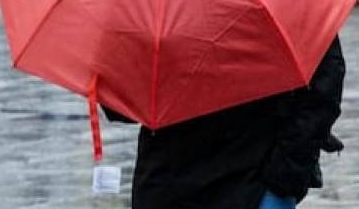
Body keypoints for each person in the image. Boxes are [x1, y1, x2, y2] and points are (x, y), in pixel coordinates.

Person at [103, 37, 345, 209]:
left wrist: (284, 179)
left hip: (230, 184)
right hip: (244, 183)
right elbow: (324, 87)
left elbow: (122, 105)